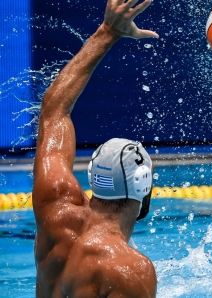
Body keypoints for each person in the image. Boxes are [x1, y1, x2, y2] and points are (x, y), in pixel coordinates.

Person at [32, 0, 159, 297]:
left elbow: (53, 112)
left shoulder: (56, 206)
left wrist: (107, 32)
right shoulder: (129, 268)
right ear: (143, 186)